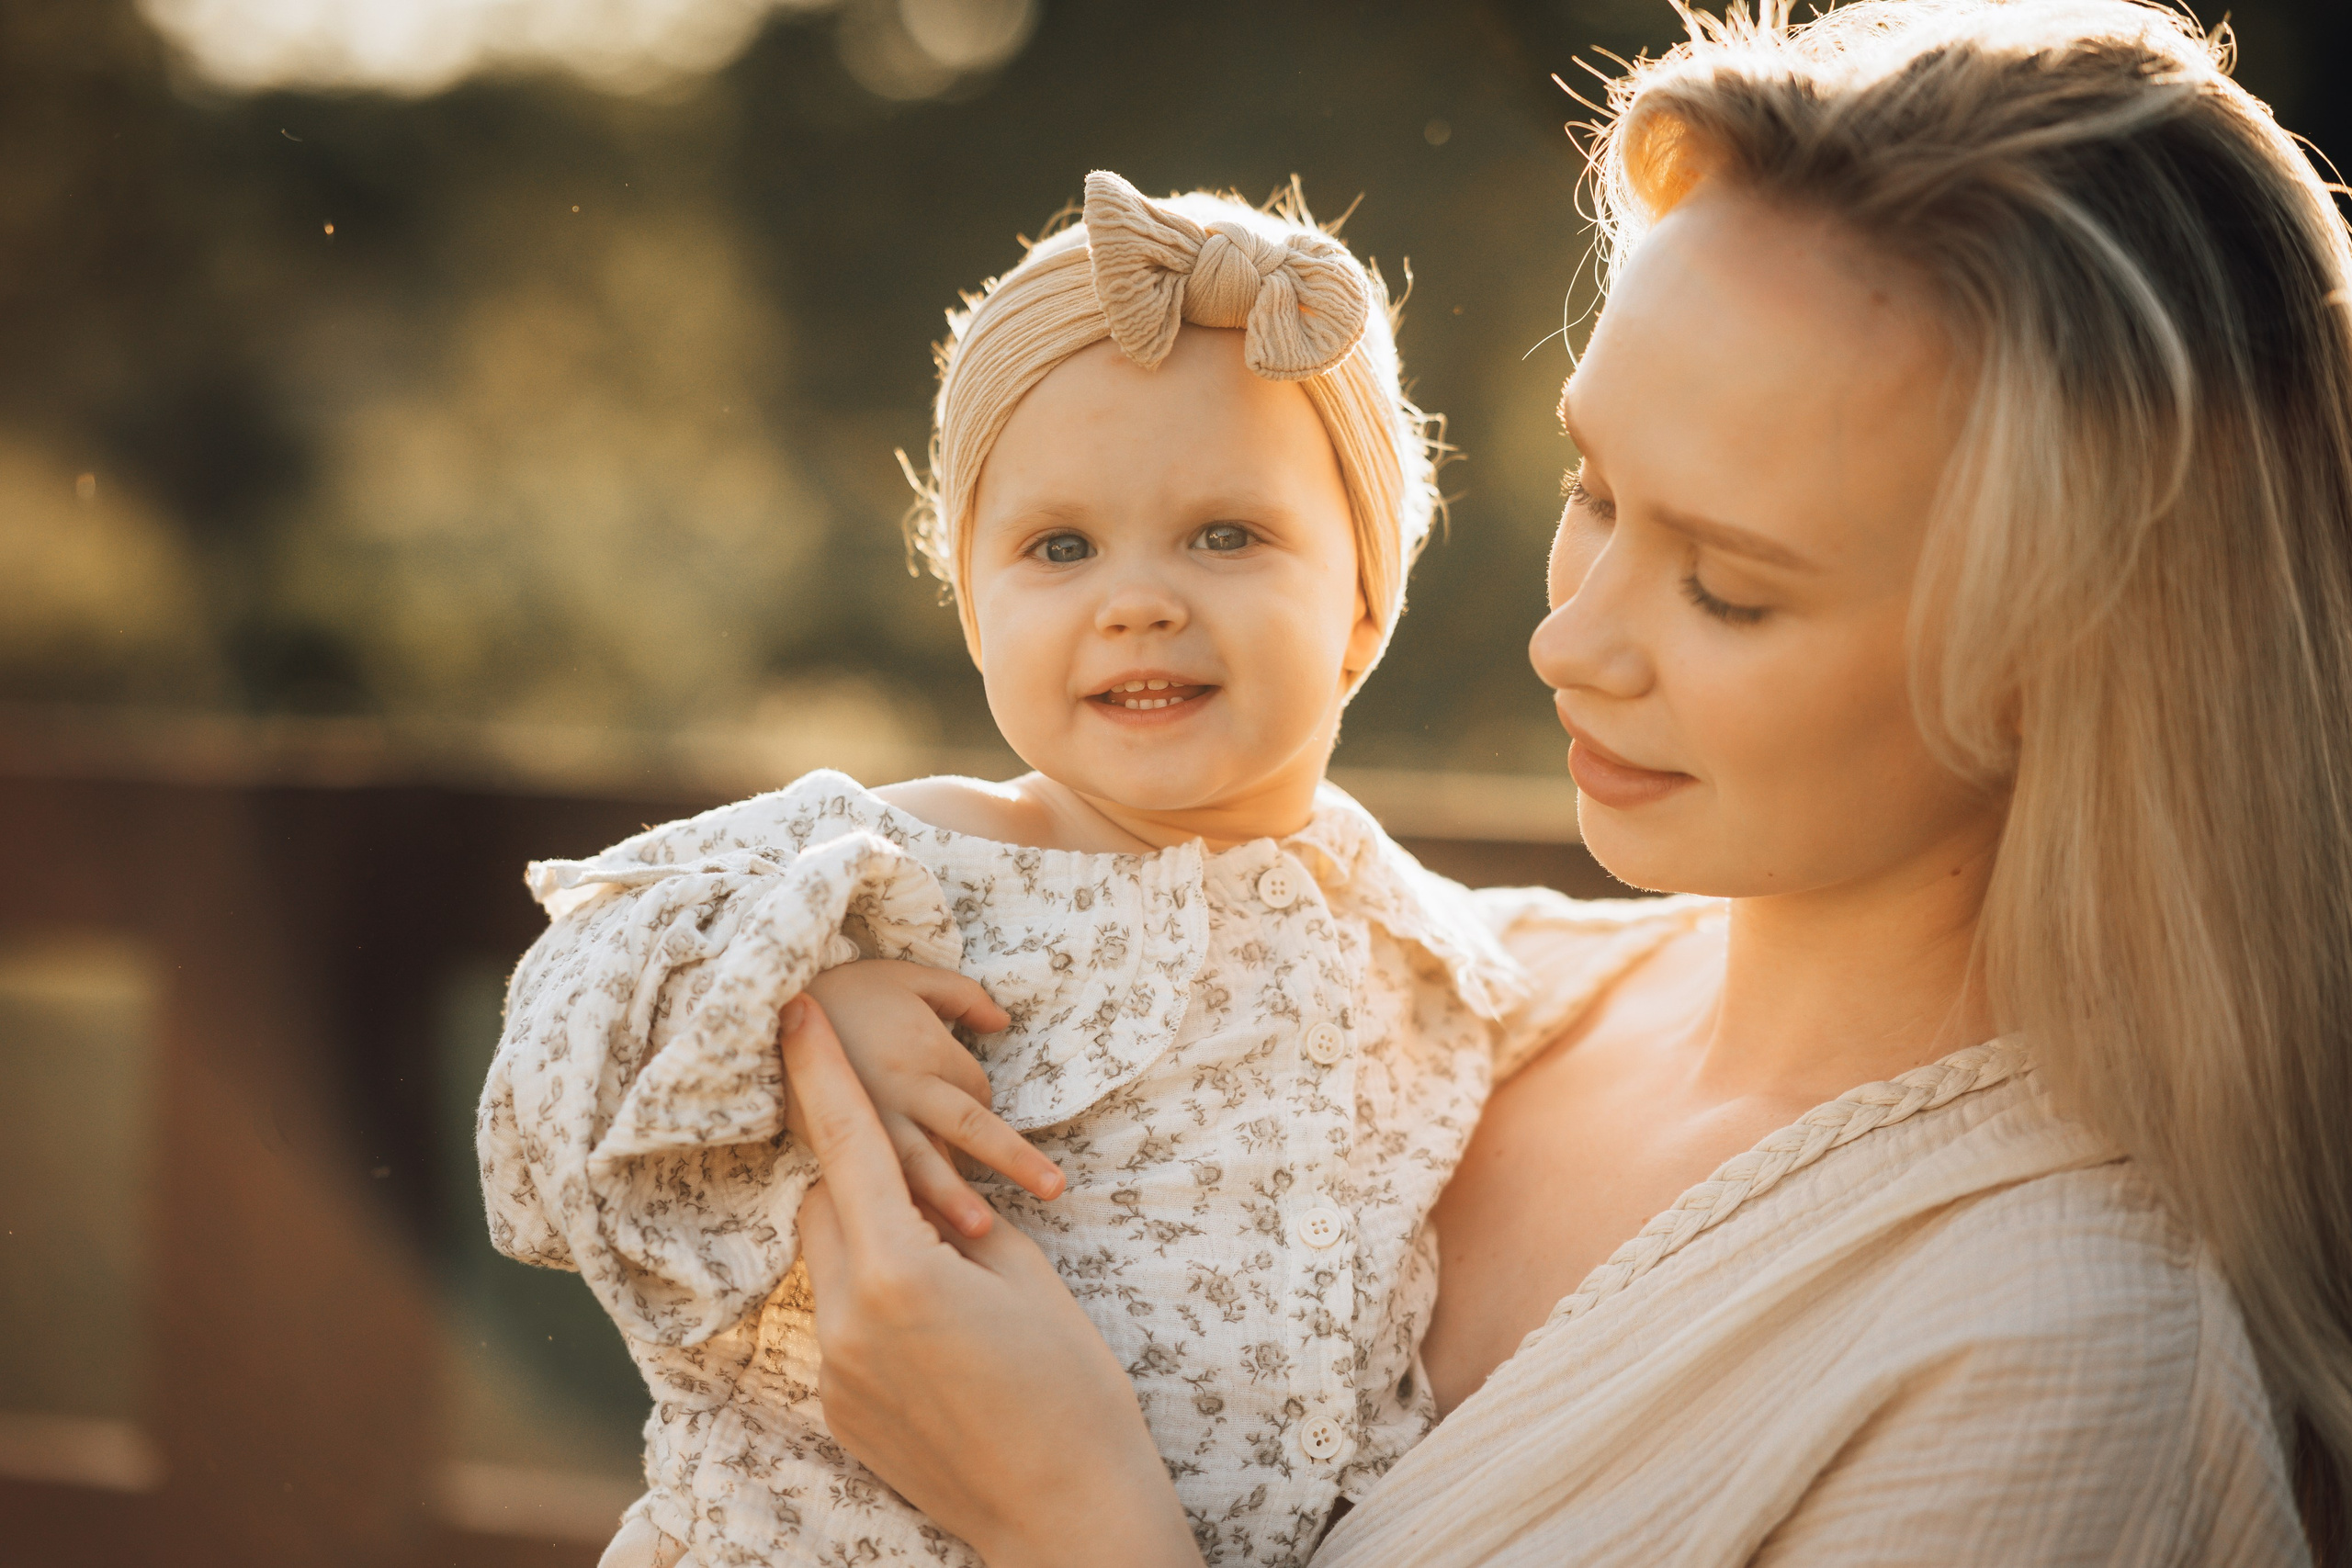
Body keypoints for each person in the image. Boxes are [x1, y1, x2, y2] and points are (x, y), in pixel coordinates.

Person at [775, 2, 2352, 1562]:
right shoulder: (1456, 985)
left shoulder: (2063, 1374)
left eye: (1730, 585)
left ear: (2068, 646)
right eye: (1594, 491)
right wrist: (819, 998)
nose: (1568, 640)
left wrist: (1070, 1522)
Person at [476, 170, 1600, 1567]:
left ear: (1365, 597)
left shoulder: (1423, 943)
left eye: (1227, 534)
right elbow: (538, 1100)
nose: (1137, 598)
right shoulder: (879, 868)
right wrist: (790, 1033)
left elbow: (1587, 1003)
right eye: (1058, 547)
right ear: (973, 604)